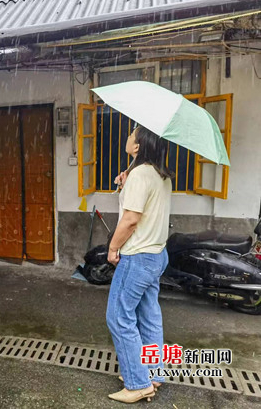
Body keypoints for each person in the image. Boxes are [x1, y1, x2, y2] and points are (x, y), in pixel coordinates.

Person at [106, 124, 174, 404]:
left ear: (138, 146)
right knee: (148, 316)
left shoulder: (140, 176)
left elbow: (131, 220)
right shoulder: (161, 175)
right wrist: (127, 180)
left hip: (138, 257)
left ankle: (138, 383)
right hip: (158, 254)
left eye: (132, 134)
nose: (127, 137)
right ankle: (153, 373)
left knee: (119, 318)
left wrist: (113, 248)